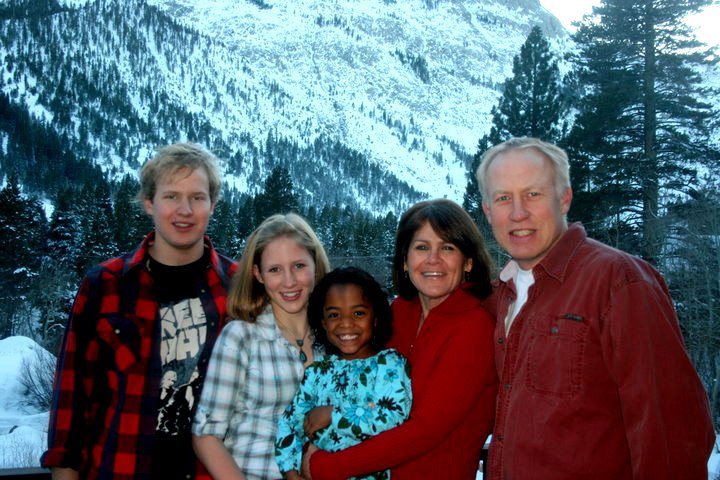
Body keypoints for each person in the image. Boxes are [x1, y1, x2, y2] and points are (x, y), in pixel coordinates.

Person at [476, 136, 715, 479]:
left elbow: (670, 432)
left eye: (533, 194)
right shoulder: (502, 294)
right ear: (487, 211)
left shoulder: (619, 282)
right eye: (503, 198)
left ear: (564, 198)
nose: (518, 212)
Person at [41, 143, 238, 480]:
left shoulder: (239, 286)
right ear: (149, 202)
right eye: (171, 196)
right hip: (121, 467)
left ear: (213, 204)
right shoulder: (105, 285)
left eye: (198, 197)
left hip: (213, 472)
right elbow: (70, 401)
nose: (185, 210)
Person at [304, 199, 498, 479]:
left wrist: (326, 467)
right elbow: (364, 388)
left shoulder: (474, 327)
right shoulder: (401, 312)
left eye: (447, 247)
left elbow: (425, 430)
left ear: (468, 262)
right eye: (421, 247)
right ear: (405, 261)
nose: (433, 259)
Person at [192, 213, 330, 480]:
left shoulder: (335, 338)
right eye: (275, 269)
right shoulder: (241, 337)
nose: (289, 281)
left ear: (316, 265)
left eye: (299, 265)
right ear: (258, 274)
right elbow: (206, 435)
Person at [275, 266, 413, 480]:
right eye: (334, 315)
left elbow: (394, 416)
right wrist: (291, 472)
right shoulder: (317, 372)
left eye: (358, 313)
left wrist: (333, 414)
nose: (346, 323)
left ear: (375, 318)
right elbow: (289, 422)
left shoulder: (389, 365)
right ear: (323, 322)